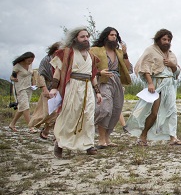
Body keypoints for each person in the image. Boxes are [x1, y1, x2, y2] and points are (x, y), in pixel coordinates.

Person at [125, 28, 181, 146]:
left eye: (168, 39)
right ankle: (143, 136)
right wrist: (150, 83)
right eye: (164, 39)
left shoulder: (171, 54)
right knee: (154, 112)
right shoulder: (151, 50)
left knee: (172, 111)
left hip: (169, 85)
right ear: (158, 40)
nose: (167, 42)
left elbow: (176, 72)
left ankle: (173, 137)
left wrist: (173, 65)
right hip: (157, 84)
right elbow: (145, 67)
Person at [49, 27, 103, 158]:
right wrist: (54, 87)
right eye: (82, 37)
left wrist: (97, 92)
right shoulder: (66, 53)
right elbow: (58, 71)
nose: (86, 39)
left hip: (87, 88)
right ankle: (60, 143)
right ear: (75, 39)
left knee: (88, 116)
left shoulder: (91, 57)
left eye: (87, 37)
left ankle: (88, 145)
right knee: (70, 115)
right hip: (72, 86)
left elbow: (93, 75)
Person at [90, 27, 132, 148]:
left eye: (115, 35)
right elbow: (89, 67)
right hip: (103, 81)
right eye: (111, 35)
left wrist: (125, 53)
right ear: (105, 36)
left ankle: (107, 138)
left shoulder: (119, 52)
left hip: (117, 81)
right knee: (105, 108)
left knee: (116, 110)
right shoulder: (95, 50)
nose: (114, 37)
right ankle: (100, 139)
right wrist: (99, 73)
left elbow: (128, 69)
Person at [29, 42, 62, 139]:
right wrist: (44, 89)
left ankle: (57, 135)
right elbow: (41, 75)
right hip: (49, 88)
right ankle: (46, 130)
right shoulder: (46, 59)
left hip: (60, 89)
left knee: (58, 113)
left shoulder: (63, 60)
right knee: (49, 113)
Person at [9, 52, 37, 132]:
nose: (30, 62)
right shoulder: (17, 66)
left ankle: (12, 124)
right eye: (29, 60)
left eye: (32, 61)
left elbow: (32, 73)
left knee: (22, 107)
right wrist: (13, 79)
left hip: (29, 87)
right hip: (20, 88)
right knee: (26, 107)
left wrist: (34, 82)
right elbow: (11, 76)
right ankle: (31, 127)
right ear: (24, 59)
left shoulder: (30, 65)